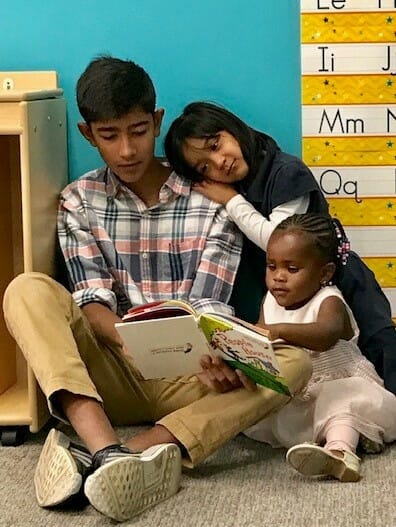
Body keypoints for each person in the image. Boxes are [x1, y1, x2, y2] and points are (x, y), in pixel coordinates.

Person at [2, 57, 311, 522]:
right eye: (110, 135)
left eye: (138, 130)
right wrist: (132, 342)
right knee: (27, 288)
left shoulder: (210, 202)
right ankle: (102, 445)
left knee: (294, 362)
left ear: (157, 122)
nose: (126, 149)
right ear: (89, 134)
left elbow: (209, 304)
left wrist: (219, 354)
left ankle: (138, 450)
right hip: (110, 369)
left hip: (191, 375)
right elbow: (91, 303)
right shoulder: (78, 200)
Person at [164, 101, 396, 394]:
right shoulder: (242, 184)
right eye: (204, 167)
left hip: (341, 278)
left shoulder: (286, 171)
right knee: (310, 367)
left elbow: (275, 238)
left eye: (215, 145)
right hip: (290, 294)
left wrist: (231, 201)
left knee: (379, 342)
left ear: (232, 129)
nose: (219, 161)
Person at [244, 213, 396, 482]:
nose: (278, 277)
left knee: (341, 409)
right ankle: (315, 444)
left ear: (324, 273)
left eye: (292, 269)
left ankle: (340, 453)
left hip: (339, 382)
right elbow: (260, 340)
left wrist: (278, 332)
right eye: (271, 266)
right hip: (297, 387)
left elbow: (325, 335)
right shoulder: (270, 301)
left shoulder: (329, 300)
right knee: (276, 412)